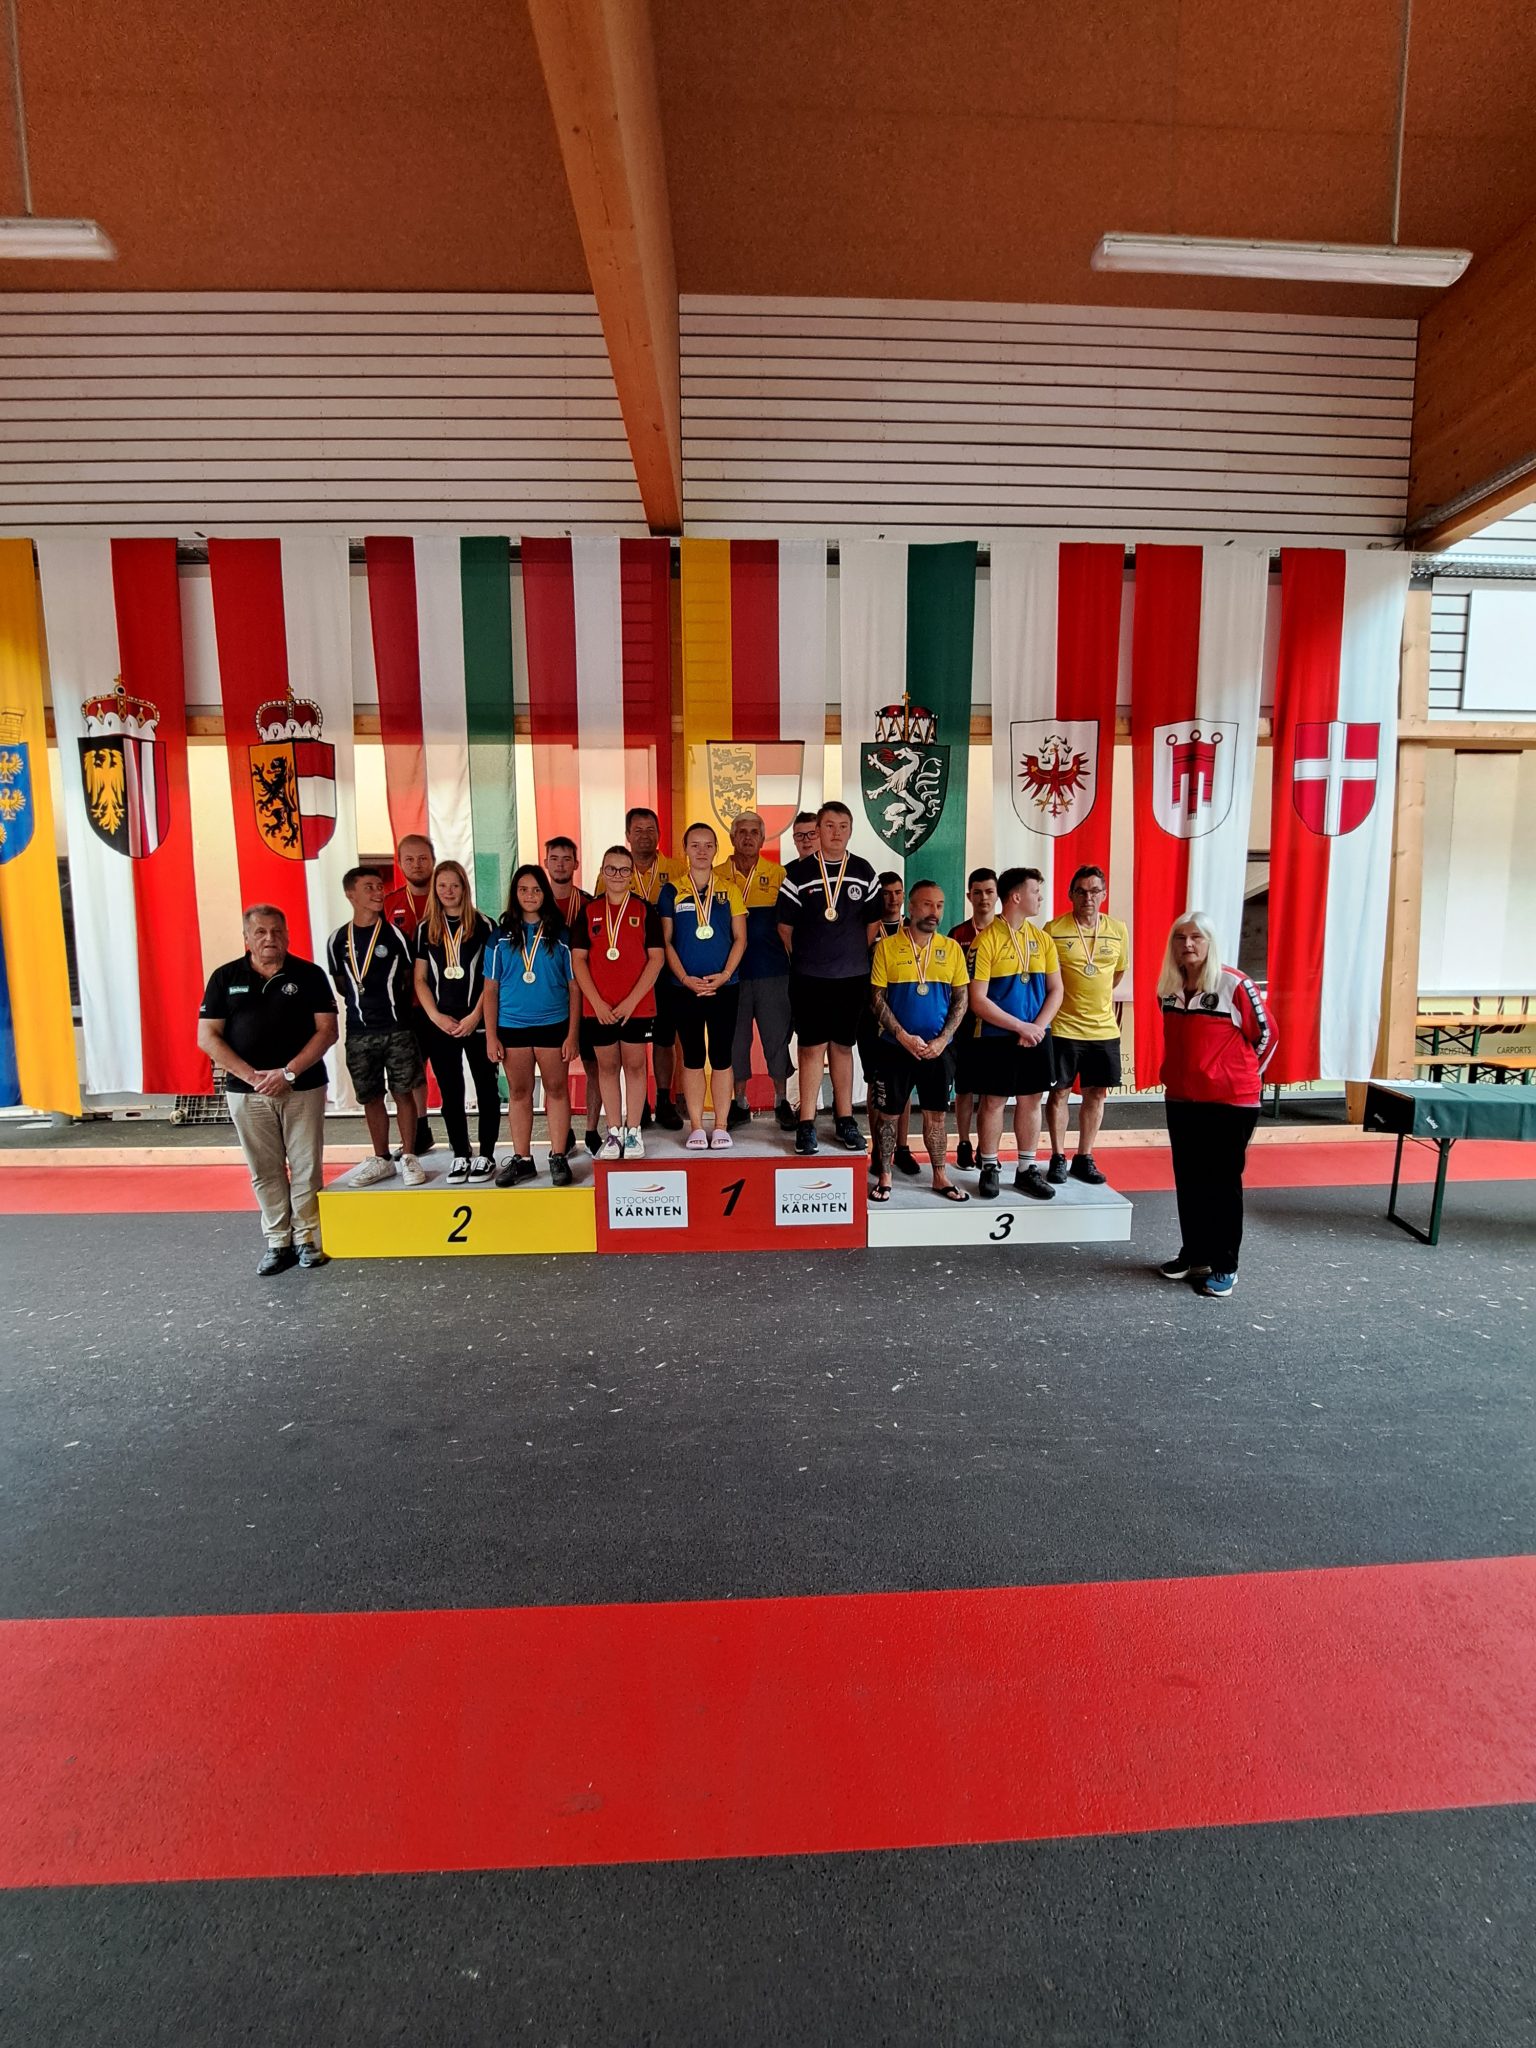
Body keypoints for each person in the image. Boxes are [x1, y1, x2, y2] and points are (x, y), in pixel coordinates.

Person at [197, 905, 339, 1274]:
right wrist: (253, 1077)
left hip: (302, 1086)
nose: (269, 938)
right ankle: (278, 1241)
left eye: (276, 931)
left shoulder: (309, 975)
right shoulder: (225, 978)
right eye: (260, 932)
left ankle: (307, 1239)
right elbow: (207, 1037)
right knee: (264, 1168)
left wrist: (287, 1073)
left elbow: (327, 1031)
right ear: (246, 938)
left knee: (306, 1165)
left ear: (287, 935)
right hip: (247, 1092)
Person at [1156, 913, 1277, 1300]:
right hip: (1182, 1100)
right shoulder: (1168, 988)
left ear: (1210, 942)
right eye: (1180, 938)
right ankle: (1196, 1255)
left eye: (1196, 937)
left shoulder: (1234, 984)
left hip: (1231, 1103)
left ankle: (1225, 1265)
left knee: (1222, 1184)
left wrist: (1238, 1076)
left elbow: (1267, 1036)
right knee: (1190, 1181)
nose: (1188, 944)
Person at [776, 800, 879, 1155]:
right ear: (818, 831)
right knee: (810, 1048)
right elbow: (785, 927)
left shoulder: (863, 871)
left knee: (843, 1046)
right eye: (829, 826)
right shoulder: (799, 874)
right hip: (809, 977)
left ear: (850, 831)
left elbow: (872, 924)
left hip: (851, 977)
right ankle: (806, 1122)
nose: (836, 833)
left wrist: (848, 955)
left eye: (843, 827)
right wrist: (812, 958)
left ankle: (844, 1118)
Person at [867, 880, 971, 1203]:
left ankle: (940, 1175)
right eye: (927, 904)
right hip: (895, 1047)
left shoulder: (952, 949)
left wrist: (943, 1040)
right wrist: (902, 1036)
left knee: (936, 1115)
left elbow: (961, 1000)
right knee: (888, 1115)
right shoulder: (886, 947)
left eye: (939, 905)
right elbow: (877, 999)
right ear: (910, 907)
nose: (934, 912)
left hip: (938, 1050)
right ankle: (885, 1175)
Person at [326, 866, 426, 1188]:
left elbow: (409, 980)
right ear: (350, 894)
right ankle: (382, 1158)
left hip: (397, 1028)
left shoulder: (396, 936)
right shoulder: (337, 940)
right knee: (370, 1095)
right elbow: (342, 984)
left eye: (379, 887)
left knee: (403, 1092)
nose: (377, 893)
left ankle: (409, 1155)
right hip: (359, 1031)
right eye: (368, 887)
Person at [968, 867, 1063, 1201]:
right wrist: (1020, 1026)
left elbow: (1056, 990)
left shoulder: (1043, 940)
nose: (1040, 898)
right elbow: (978, 1000)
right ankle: (989, 1166)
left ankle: (1026, 1168)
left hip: (1036, 1034)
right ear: (1017, 896)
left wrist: (1036, 1027)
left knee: (1031, 1099)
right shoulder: (985, 941)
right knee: (993, 1101)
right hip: (997, 1036)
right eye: (1036, 891)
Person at [484, 865, 580, 1187]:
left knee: (556, 1090)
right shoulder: (499, 937)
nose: (529, 895)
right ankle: (523, 1159)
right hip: (512, 1027)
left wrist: (573, 1034)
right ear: (515, 894)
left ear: (545, 894)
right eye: (523, 890)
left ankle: (558, 1156)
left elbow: (575, 987)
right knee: (519, 1092)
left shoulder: (561, 935)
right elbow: (490, 989)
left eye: (536, 889)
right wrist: (491, 1036)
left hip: (553, 1024)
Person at [569, 845, 666, 1159]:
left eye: (624, 870)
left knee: (636, 1067)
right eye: (611, 869)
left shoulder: (644, 910)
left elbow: (656, 959)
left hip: (636, 1006)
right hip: (599, 1008)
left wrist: (631, 1002)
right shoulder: (588, 912)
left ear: (631, 875)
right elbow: (578, 960)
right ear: (602, 871)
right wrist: (596, 1002)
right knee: (607, 1068)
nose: (617, 875)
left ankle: (633, 1131)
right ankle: (613, 1132)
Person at [413, 859, 500, 1186]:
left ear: (465, 887)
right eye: (442, 886)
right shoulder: (425, 929)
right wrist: (435, 1016)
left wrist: (476, 1015)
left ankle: (487, 1154)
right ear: (435, 890)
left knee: (486, 1088)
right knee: (450, 1091)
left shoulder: (485, 925)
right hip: (442, 1023)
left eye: (455, 885)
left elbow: (492, 977)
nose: (448, 891)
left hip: (478, 1020)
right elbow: (420, 979)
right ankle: (460, 1153)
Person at [660, 822, 747, 1149]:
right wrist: (685, 979)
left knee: (722, 1056)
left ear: (716, 849)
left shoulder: (730, 889)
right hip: (684, 988)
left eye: (708, 845)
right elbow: (666, 942)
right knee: (693, 1056)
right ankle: (696, 1126)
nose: (701, 851)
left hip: (725, 986)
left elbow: (740, 939)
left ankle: (721, 1125)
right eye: (694, 845)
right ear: (685, 849)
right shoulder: (671, 891)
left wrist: (725, 975)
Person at [1044, 864, 1129, 1185]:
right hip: (1064, 1028)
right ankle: (1057, 1156)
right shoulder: (1054, 930)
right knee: (1059, 1093)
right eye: (1081, 891)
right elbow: (1047, 979)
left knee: (1096, 1094)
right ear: (1070, 895)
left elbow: (1116, 974)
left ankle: (1085, 1156)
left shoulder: (1118, 930)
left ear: (1104, 894)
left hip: (1103, 1029)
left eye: (1094, 891)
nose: (1088, 898)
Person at [716, 810, 795, 1133]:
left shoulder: (779, 875)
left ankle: (781, 1101)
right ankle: (740, 1103)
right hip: (730, 974)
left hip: (772, 970)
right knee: (736, 1040)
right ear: (732, 837)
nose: (748, 837)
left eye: (754, 832)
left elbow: (791, 924)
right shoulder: (716, 876)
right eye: (742, 831)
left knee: (776, 1038)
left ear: (763, 839)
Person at [626, 806, 686, 1130]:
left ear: (660, 834)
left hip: (666, 968)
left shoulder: (677, 870)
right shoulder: (616, 871)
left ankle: (665, 1100)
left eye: (650, 830)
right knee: (632, 1040)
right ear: (628, 836)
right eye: (638, 830)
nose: (644, 836)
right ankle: (639, 1104)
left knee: (665, 1037)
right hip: (627, 971)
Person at [544, 833, 601, 1155]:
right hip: (550, 1000)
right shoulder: (535, 905)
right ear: (546, 863)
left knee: (594, 1067)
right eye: (555, 859)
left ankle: (592, 1130)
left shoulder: (590, 905)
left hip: (587, 999)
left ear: (576, 864)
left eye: (567, 859)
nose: (561, 865)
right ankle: (562, 1134)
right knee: (555, 1074)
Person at [384, 831, 438, 1153]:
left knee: (447, 1070)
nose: (417, 865)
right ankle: (420, 1130)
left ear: (433, 861)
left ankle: (458, 1134)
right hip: (405, 1005)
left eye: (422, 858)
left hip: (445, 1003)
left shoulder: (448, 897)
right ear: (400, 863)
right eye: (410, 859)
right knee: (412, 1069)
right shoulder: (389, 905)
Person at [861, 871, 918, 1175]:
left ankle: (903, 1148)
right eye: (886, 893)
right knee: (877, 1084)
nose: (892, 899)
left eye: (897, 892)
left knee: (903, 1085)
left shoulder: (913, 929)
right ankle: (879, 1150)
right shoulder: (869, 928)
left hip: (905, 1016)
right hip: (872, 1017)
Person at [948, 866, 998, 1170]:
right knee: (964, 1087)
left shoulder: (1006, 934)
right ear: (969, 896)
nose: (983, 898)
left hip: (995, 1022)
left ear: (998, 895)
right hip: (965, 1022)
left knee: (992, 1091)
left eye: (989, 891)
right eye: (977, 892)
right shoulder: (958, 935)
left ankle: (986, 1147)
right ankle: (964, 1142)